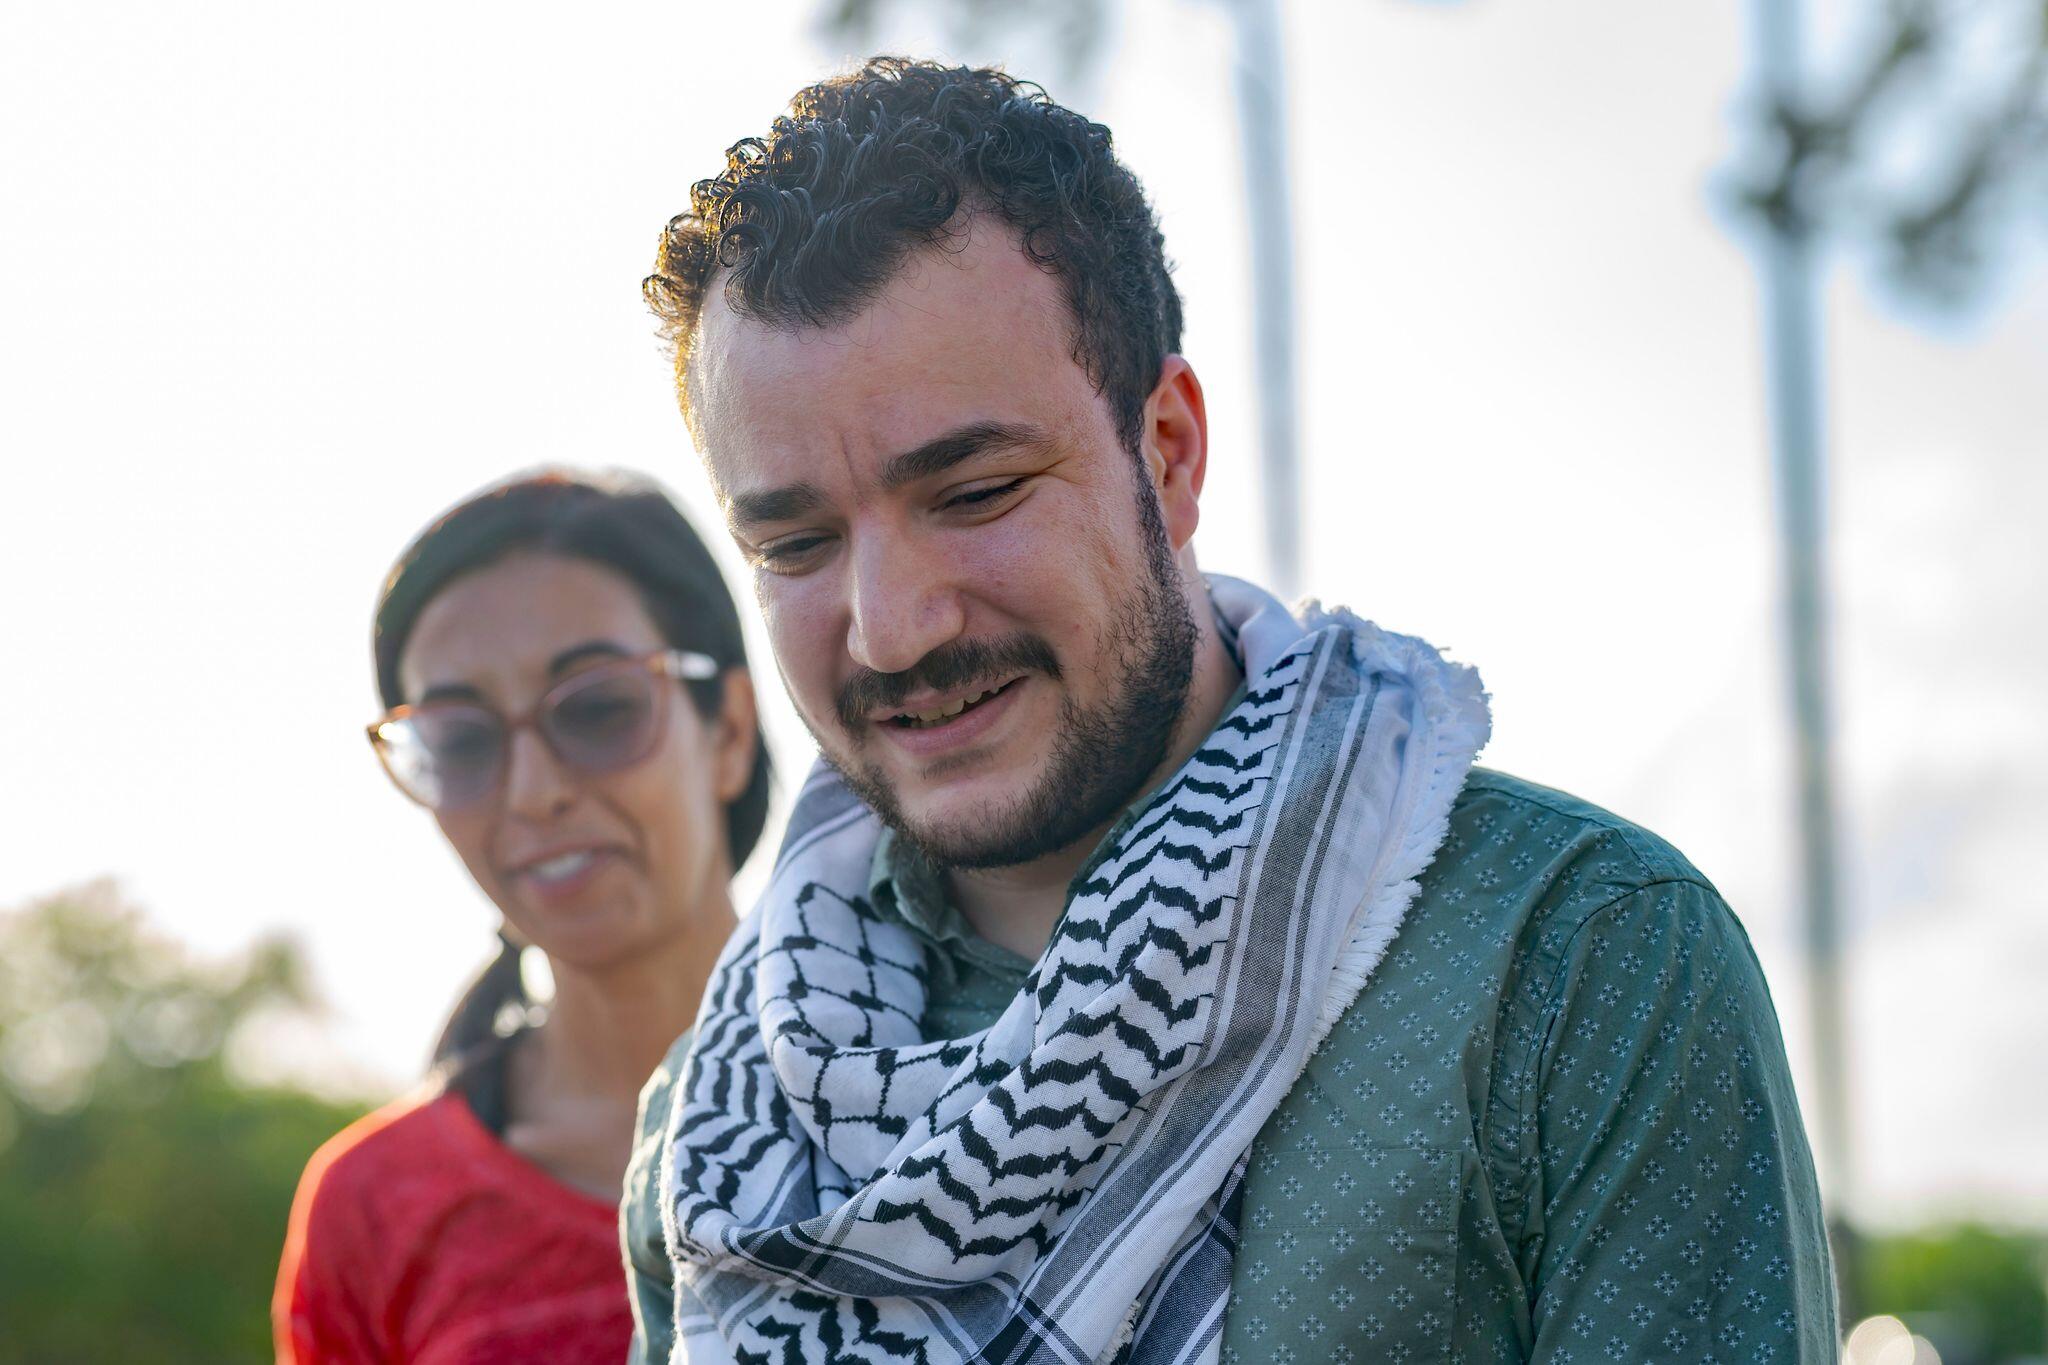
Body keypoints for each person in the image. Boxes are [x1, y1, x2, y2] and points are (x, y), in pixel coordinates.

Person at [624, 59, 1837, 1364]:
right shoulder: (721, 1123)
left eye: (974, 494)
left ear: (1168, 451)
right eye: (795, 544)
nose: (892, 629)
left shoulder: (1570, 960)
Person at [273, 471, 768, 1364]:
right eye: (462, 739)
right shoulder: (373, 1206)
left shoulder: (952, 1087)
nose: (532, 792)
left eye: (599, 707)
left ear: (729, 730)